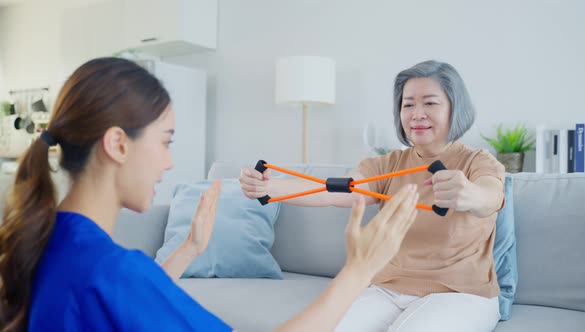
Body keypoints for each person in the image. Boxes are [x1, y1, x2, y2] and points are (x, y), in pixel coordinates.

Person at [0, 57, 419, 332]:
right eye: (165, 141)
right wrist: (357, 272)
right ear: (117, 144)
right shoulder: (111, 271)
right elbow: (124, 291)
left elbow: (128, 308)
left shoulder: (50, 241)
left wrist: (188, 249)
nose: (168, 163)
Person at [240, 60, 505, 332]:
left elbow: (490, 197)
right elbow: (333, 192)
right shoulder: (387, 164)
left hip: (461, 294)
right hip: (387, 289)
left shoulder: (478, 161)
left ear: (454, 107)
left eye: (430, 103)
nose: (417, 113)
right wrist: (269, 188)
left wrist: (469, 194)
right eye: (408, 104)